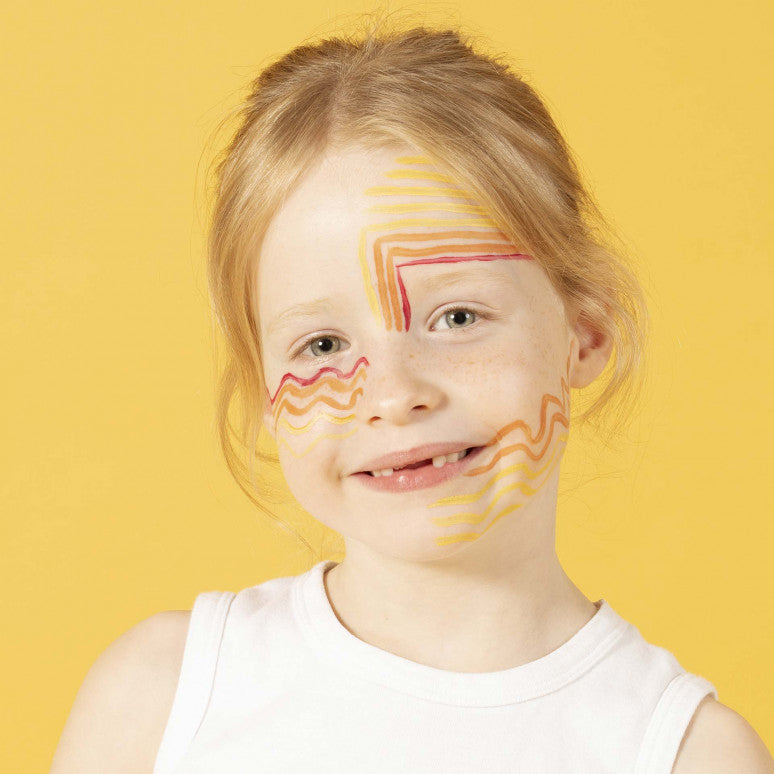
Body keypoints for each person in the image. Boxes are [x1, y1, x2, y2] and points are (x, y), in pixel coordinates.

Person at [51, 16, 773, 774]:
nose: (392, 395)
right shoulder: (160, 700)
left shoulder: (686, 755)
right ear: (265, 388)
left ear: (585, 332)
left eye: (457, 317)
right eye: (322, 346)